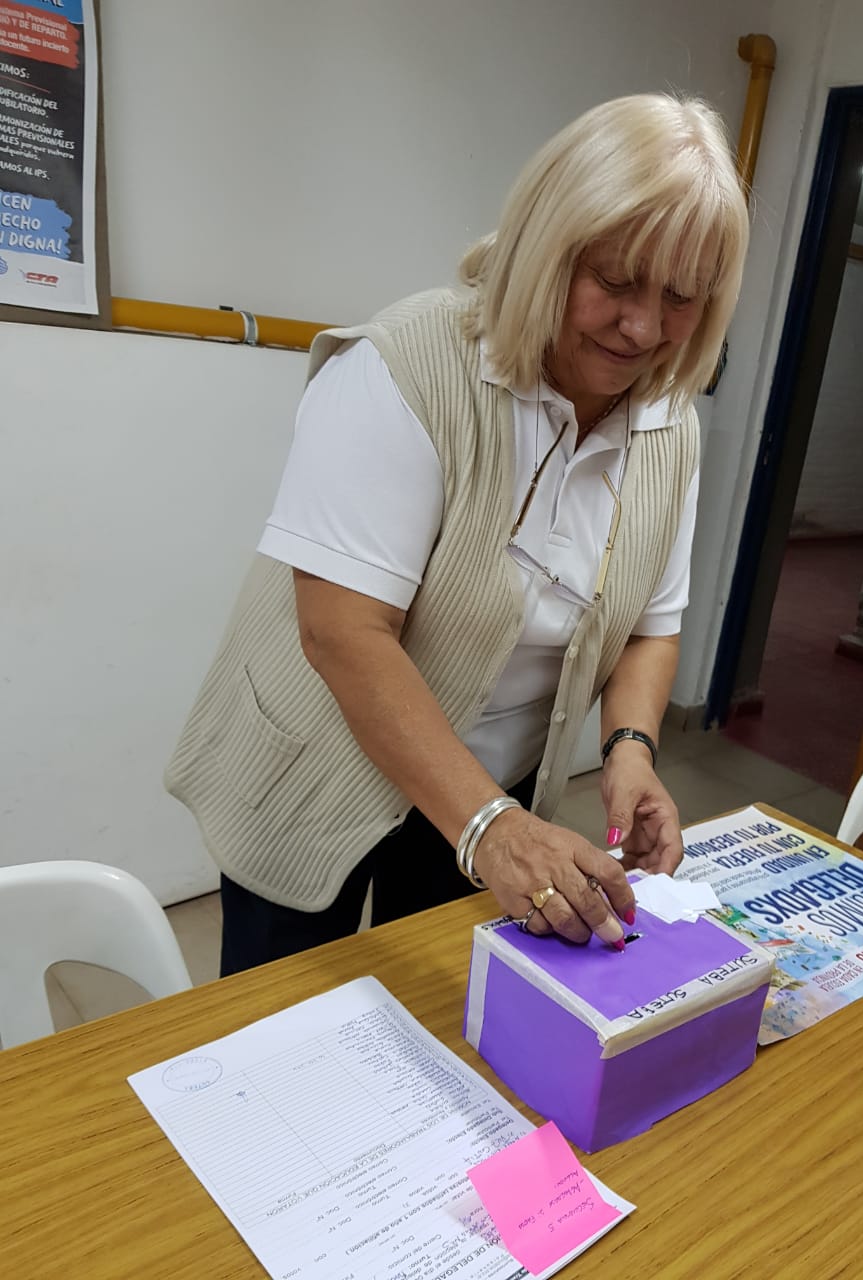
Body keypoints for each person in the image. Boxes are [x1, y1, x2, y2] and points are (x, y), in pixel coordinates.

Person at [165, 93, 750, 976]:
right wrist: (492, 828)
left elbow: (649, 626)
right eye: (615, 280)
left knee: (440, 1005)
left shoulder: (670, 424)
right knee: (287, 1006)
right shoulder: (406, 366)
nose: (643, 327)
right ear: (548, 247)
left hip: (493, 783)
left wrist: (629, 750)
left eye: (681, 297)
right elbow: (344, 632)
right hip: (316, 764)